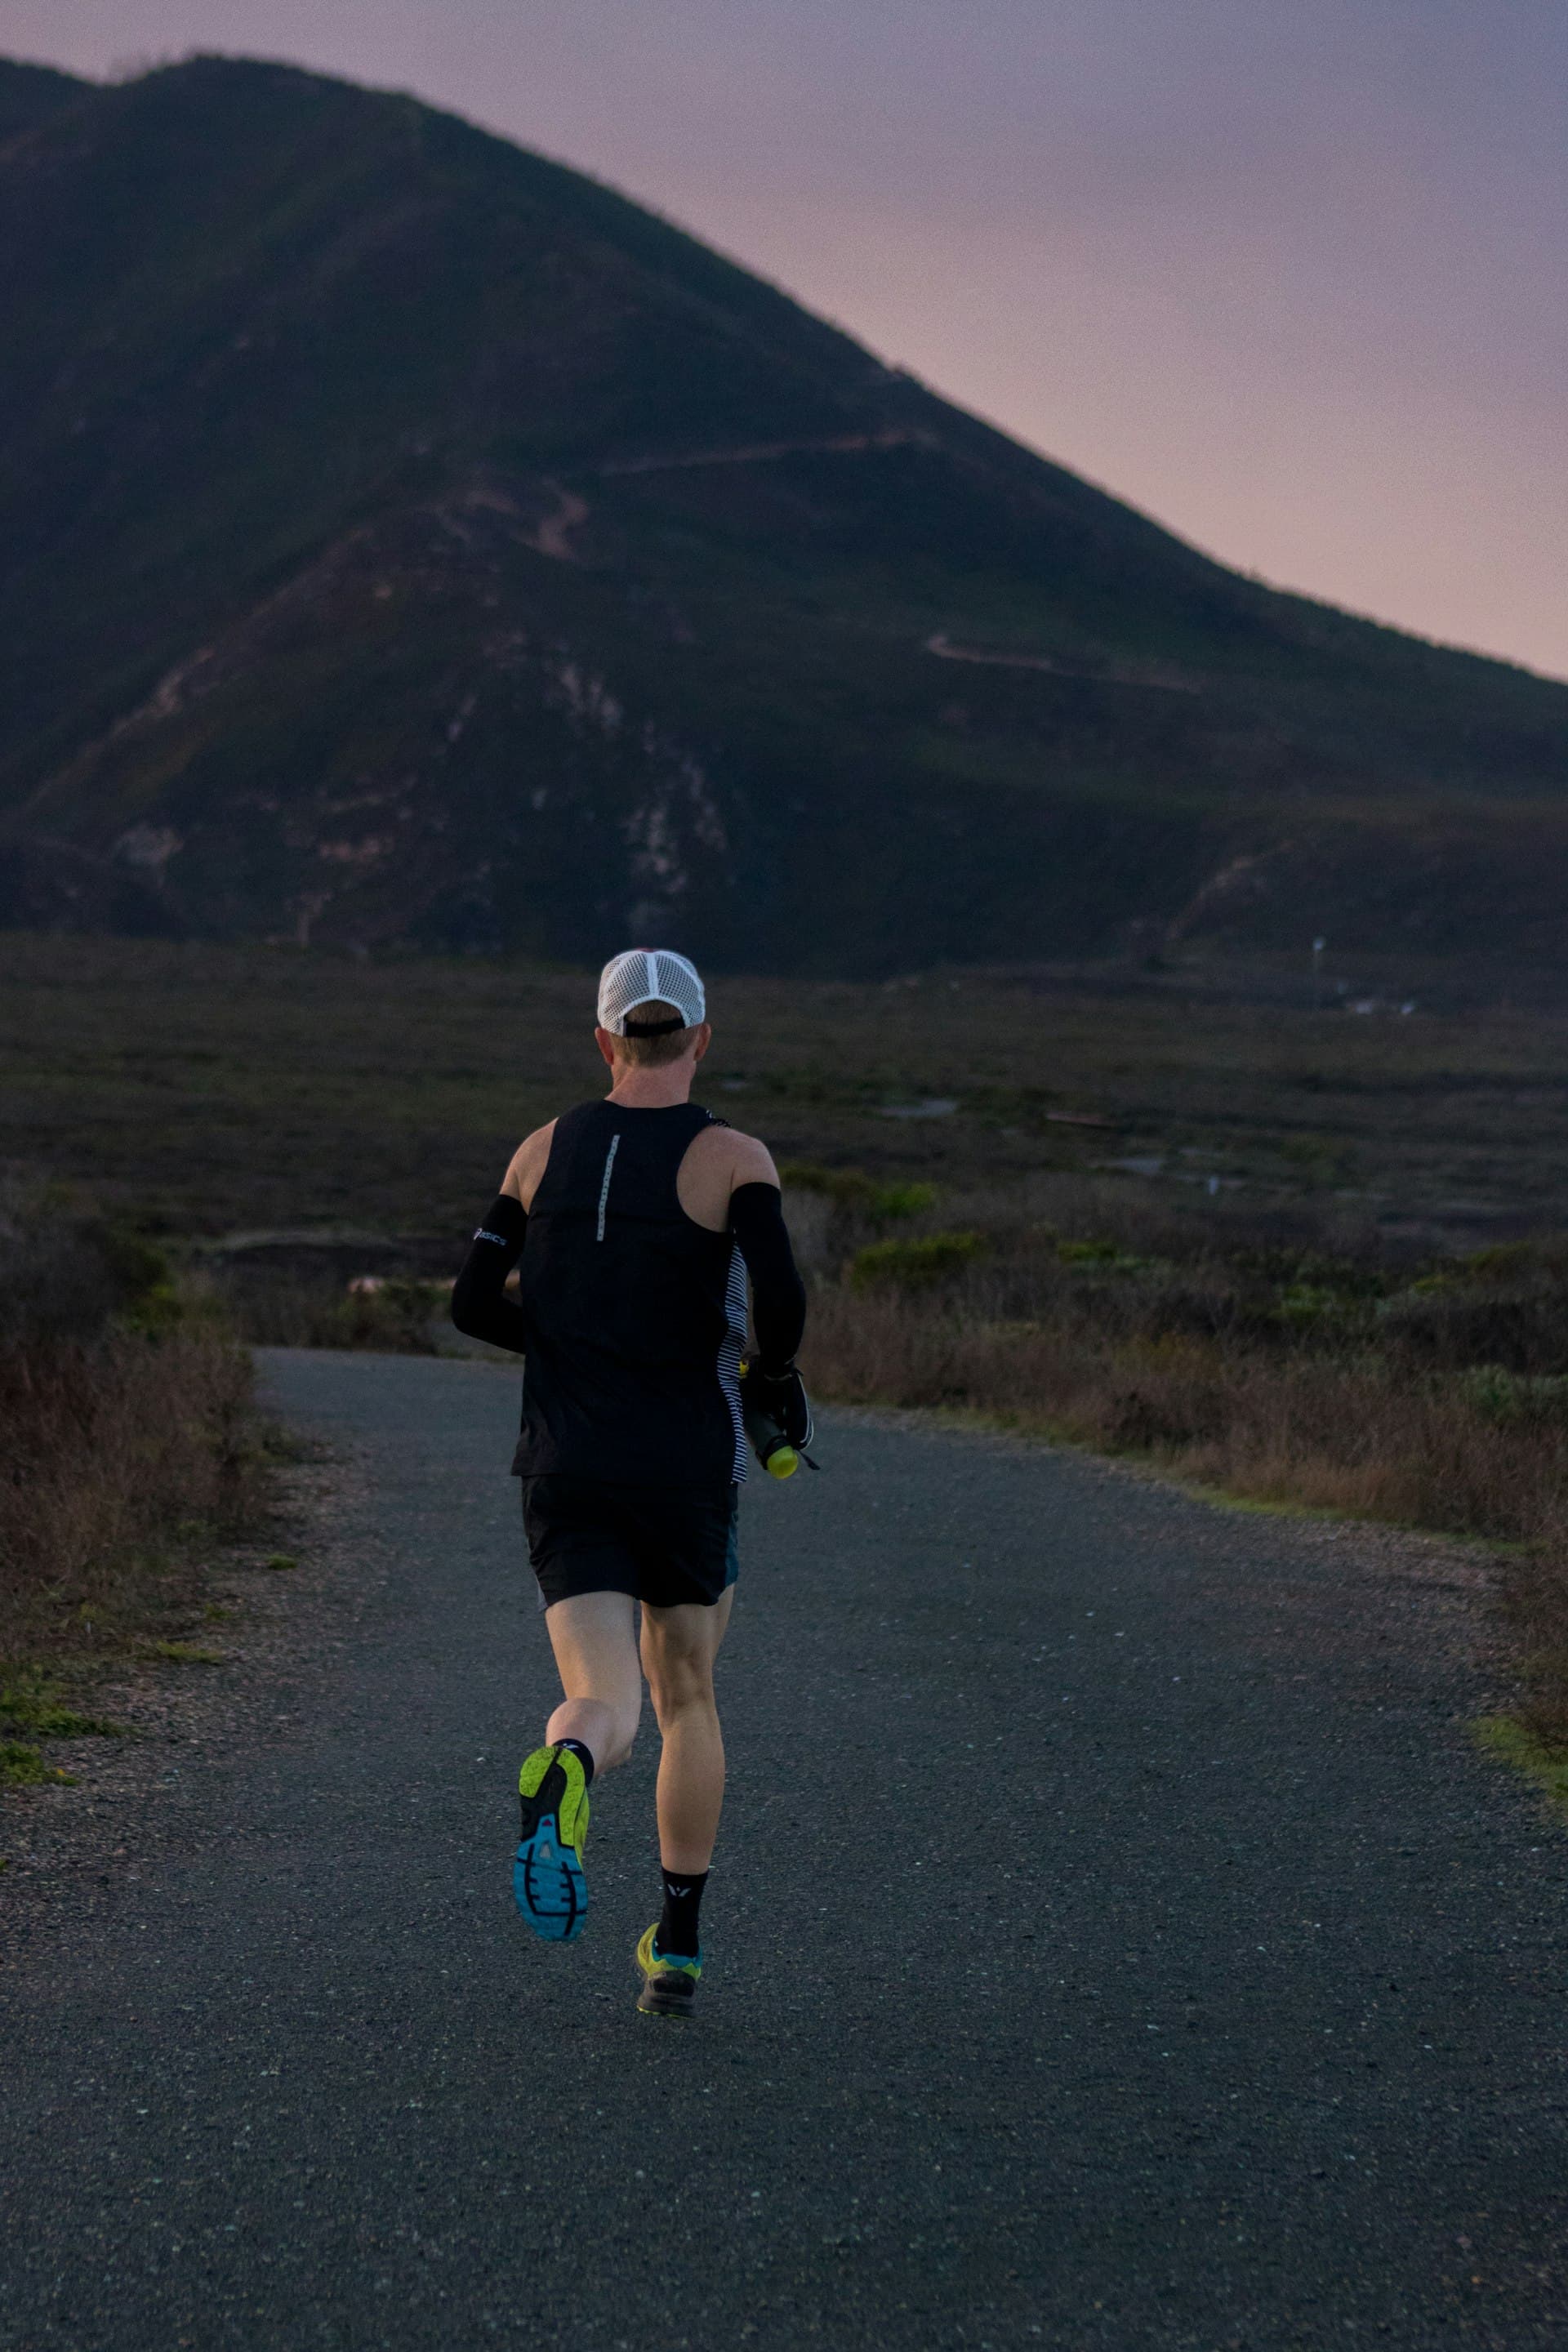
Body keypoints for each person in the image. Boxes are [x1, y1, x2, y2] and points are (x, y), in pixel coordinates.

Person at [451, 948, 811, 2018]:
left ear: (604, 1039)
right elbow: (780, 1305)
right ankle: (679, 1948)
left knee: (602, 1698)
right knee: (687, 1695)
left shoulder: (538, 1150)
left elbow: (472, 1303)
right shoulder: (734, 1158)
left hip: (566, 1461)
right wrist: (769, 1376)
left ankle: (565, 1770)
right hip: (685, 1465)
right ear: (700, 1036)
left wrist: (563, 1348)